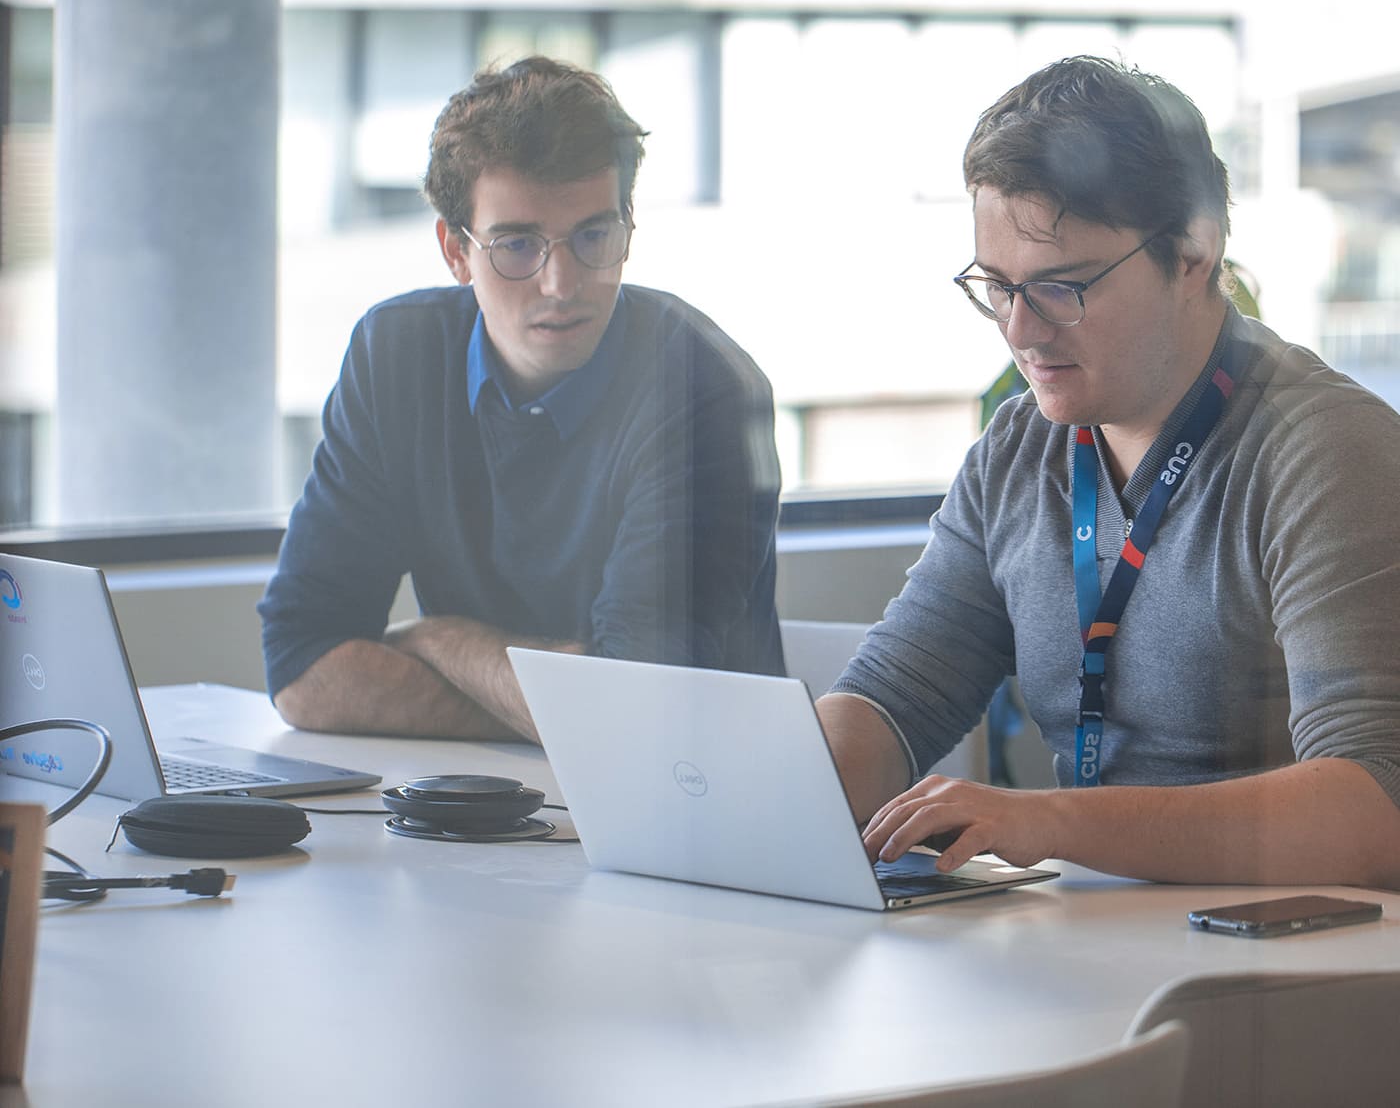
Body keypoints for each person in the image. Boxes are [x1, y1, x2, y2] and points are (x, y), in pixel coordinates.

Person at [818, 55, 1400, 889]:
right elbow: (890, 696)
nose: (1021, 330)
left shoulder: (1329, 454)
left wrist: (1049, 821)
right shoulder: (1020, 449)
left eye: (1060, 287)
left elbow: (1377, 807)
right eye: (997, 286)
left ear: (1195, 251)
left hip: (1280, 969)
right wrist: (779, 783)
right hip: (1098, 939)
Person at [260, 56, 783, 740]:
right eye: (517, 245)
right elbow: (302, 668)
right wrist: (551, 698)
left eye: (593, 236)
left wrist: (444, 642)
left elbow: (629, 714)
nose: (560, 283)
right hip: (478, 805)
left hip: (691, 811)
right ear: (455, 250)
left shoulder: (702, 388)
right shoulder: (396, 355)